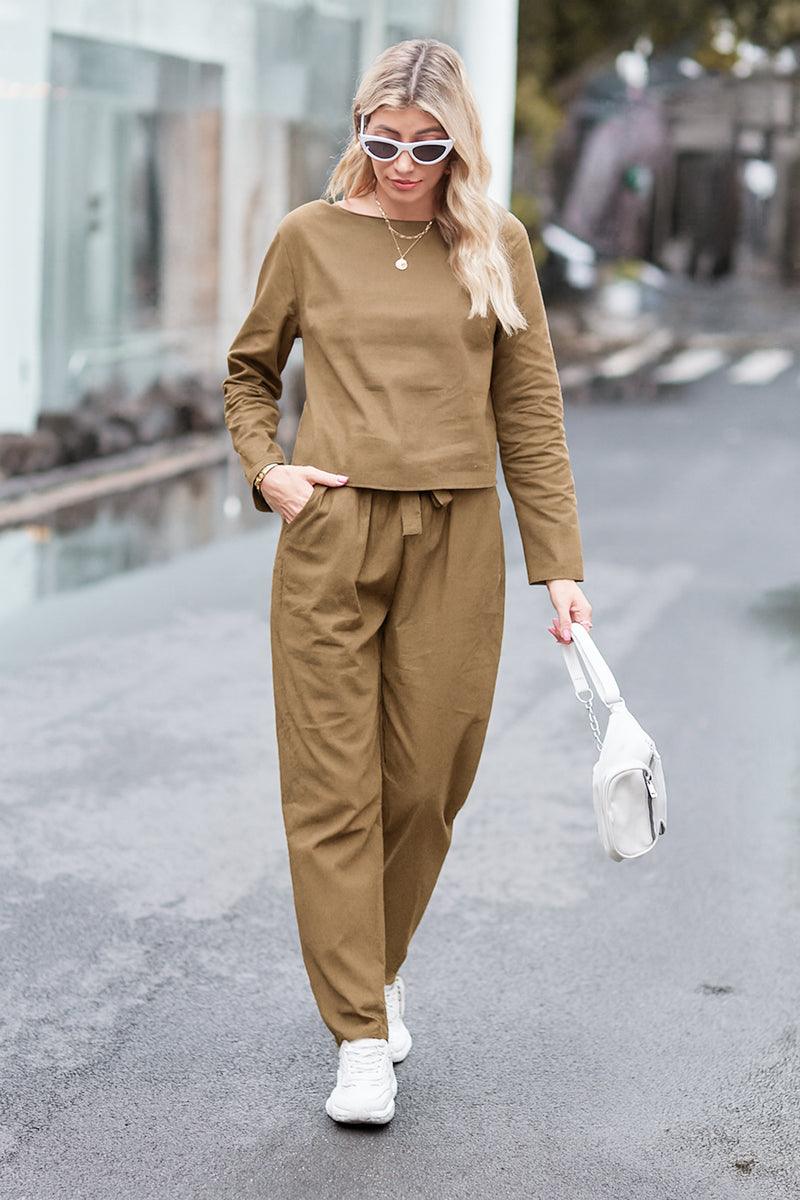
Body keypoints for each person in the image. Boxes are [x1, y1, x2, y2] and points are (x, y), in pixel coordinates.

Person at [222, 37, 592, 1126]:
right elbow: (250, 371)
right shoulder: (307, 238)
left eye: (424, 146)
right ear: (356, 132)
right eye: (379, 141)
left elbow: (527, 412)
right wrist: (268, 471)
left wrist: (557, 565)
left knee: (427, 782)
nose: (400, 163)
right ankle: (359, 1034)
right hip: (331, 533)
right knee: (331, 792)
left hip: (455, 538)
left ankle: (371, 965)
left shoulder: (496, 245)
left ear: (455, 144)